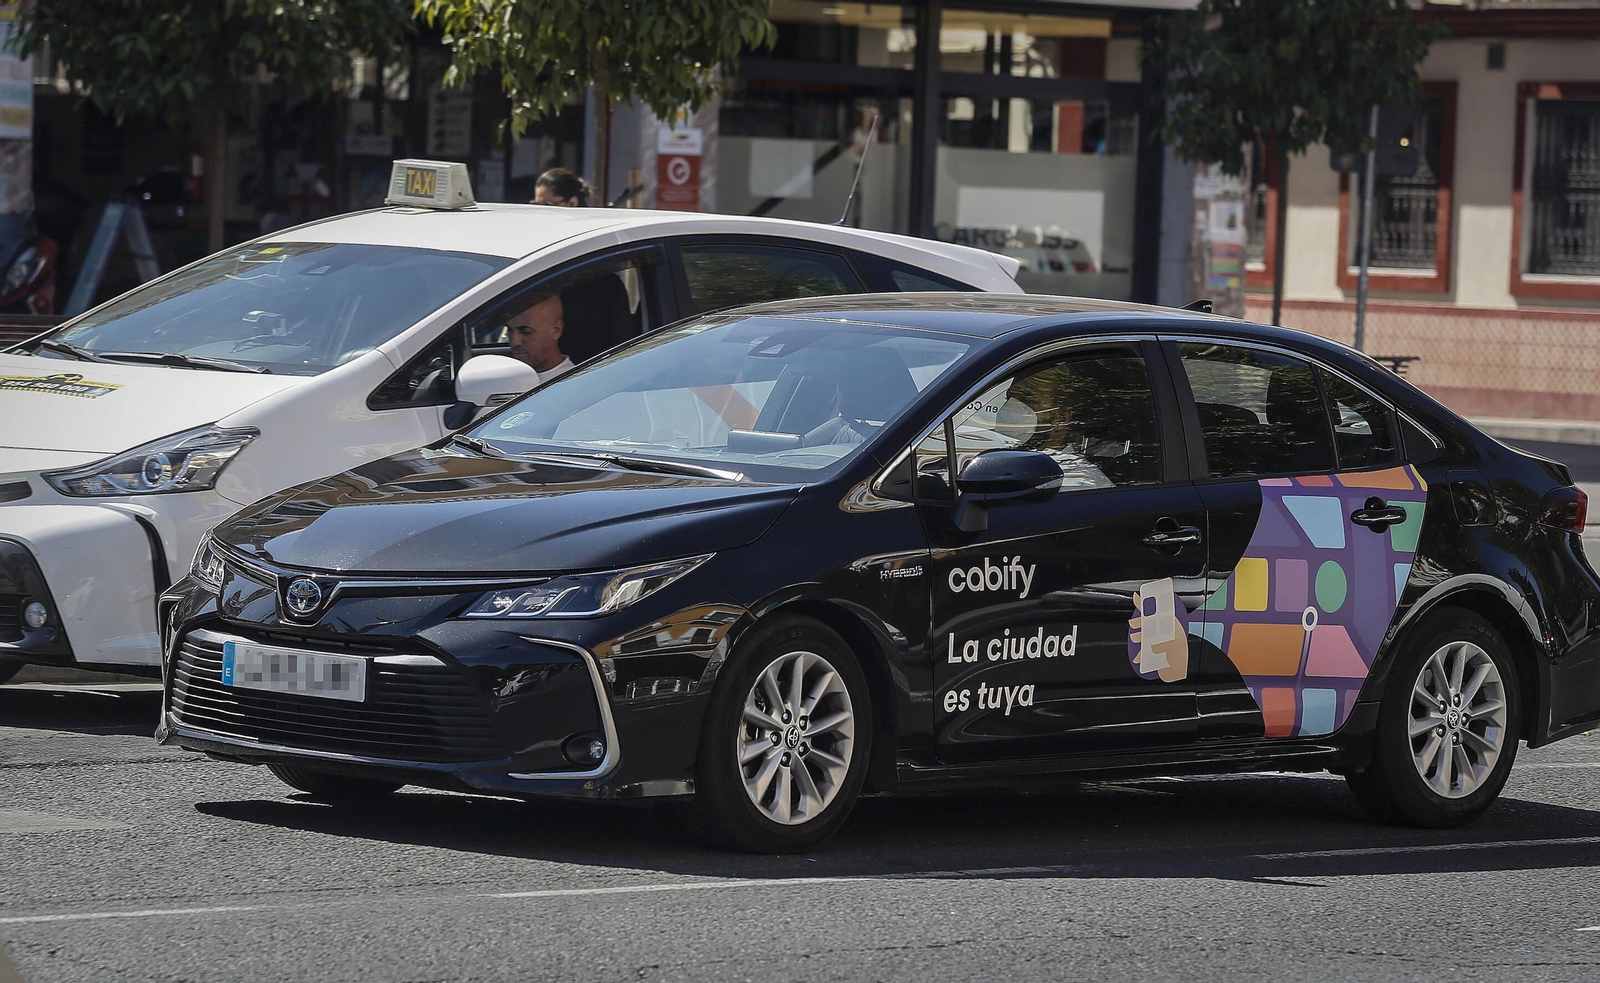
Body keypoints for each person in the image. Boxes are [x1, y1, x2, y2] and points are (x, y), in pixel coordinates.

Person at [506, 294, 575, 380]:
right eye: (509, 330)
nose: (514, 342)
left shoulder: (573, 382)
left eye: (526, 331)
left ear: (556, 330)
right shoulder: (508, 376)